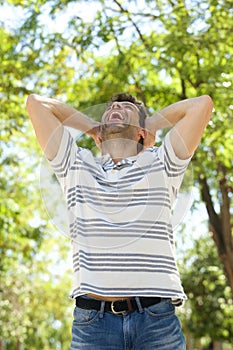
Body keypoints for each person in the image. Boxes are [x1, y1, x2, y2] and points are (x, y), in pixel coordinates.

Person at [26, 92, 213, 350]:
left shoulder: (163, 162)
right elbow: (36, 104)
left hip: (156, 321)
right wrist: (92, 127)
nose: (115, 106)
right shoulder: (76, 164)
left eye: (126, 107)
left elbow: (201, 105)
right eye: (111, 107)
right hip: (93, 325)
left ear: (140, 133)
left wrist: (150, 124)